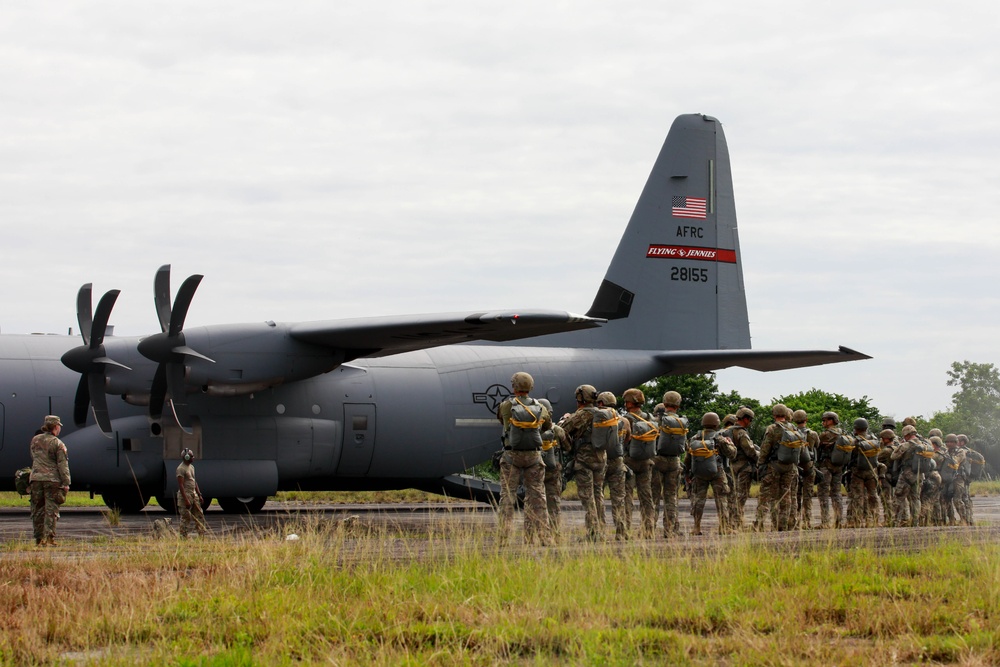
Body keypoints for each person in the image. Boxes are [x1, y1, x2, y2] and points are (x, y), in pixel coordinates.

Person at [496, 372, 552, 545]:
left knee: (507, 495)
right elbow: (547, 427)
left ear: (514, 387)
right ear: (531, 387)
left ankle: (504, 538)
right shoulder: (540, 407)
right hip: (534, 456)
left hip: (511, 455)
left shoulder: (506, 406)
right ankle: (544, 537)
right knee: (537, 495)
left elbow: (502, 422)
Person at [560, 384, 607, 541]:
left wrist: (565, 419)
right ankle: (601, 528)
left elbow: (563, 430)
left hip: (585, 460)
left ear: (580, 398)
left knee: (587, 497)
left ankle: (594, 533)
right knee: (598, 494)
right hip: (601, 458)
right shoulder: (603, 414)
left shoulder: (581, 415)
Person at [684, 412, 736, 535]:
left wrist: (688, 473)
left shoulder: (694, 438)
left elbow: (687, 458)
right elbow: (732, 454)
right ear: (716, 423)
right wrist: (731, 444)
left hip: (699, 472)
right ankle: (724, 527)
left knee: (699, 500)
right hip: (717, 471)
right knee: (721, 498)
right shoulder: (720, 438)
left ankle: (696, 527)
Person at [753, 404, 801, 531]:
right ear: (786, 415)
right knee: (786, 495)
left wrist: (760, 464)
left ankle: (763, 525)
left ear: (774, 415)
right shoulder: (793, 428)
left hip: (774, 466)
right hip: (790, 466)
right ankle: (783, 525)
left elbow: (765, 448)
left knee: (769, 496)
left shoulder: (772, 428)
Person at [29, 415, 71, 546]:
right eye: (58, 426)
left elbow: (33, 456)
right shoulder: (58, 443)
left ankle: (38, 538)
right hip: (52, 480)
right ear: (55, 427)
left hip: (35, 478)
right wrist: (66, 482)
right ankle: (49, 538)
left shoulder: (35, 440)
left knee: (37, 509)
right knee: (51, 510)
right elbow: (62, 465)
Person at [622, 388, 657, 539]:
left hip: (629, 460)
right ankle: (649, 529)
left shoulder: (626, 419)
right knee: (646, 496)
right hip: (646, 461)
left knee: (627, 496)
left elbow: (622, 439)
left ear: (630, 402)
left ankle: (625, 529)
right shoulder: (650, 417)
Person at [652, 391, 687, 537]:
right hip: (674, 461)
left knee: (653, 496)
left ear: (664, 403)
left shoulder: (657, 420)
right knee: (671, 496)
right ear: (678, 405)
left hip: (657, 459)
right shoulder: (681, 421)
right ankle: (670, 529)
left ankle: (649, 529)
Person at [538, 398, 568, 542]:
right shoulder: (556, 429)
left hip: (536, 469)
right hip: (554, 470)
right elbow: (568, 446)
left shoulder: (532, 429)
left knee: (535, 502)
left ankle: (537, 535)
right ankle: (555, 535)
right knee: (554, 503)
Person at [816, 411, 851, 529]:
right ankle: (839, 520)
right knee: (836, 493)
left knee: (823, 494)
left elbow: (816, 446)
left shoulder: (825, 435)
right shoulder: (842, 433)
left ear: (830, 420)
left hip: (826, 466)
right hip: (839, 467)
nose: (823, 422)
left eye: (824, 420)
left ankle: (825, 522)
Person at [891, 424, 930, 526]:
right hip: (920, 475)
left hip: (906, 475)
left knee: (899, 497)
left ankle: (895, 522)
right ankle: (915, 522)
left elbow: (893, 456)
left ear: (906, 434)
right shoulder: (924, 445)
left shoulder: (905, 445)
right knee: (916, 499)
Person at [726, 407, 758, 530]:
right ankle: (736, 522)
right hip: (744, 467)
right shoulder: (742, 433)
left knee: (733, 495)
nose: (750, 422)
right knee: (741, 496)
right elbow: (750, 451)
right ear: (745, 419)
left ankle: (732, 521)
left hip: (732, 466)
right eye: (750, 420)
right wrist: (759, 458)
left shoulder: (728, 431)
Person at [845, 418, 880, 528]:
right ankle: (874, 520)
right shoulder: (874, 440)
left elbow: (849, 456)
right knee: (873, 496)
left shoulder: (855, 441)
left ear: (856, 429)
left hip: (858, 472)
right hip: (871, 471)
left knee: (858, 496)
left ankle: (856, 521)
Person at [792, 410, 818, 529]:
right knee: (807, 495)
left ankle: (795, 521)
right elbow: (817, 446)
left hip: (797, 467)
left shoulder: (792, 433)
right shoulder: (812, 434)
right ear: (806, 420)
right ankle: (807, 521)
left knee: (796, 495)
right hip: (809, 466)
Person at [176, 447, 209, 537]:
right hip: (185, 495)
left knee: (199, 515)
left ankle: (201, 534)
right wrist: (186, 500)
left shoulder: (191, 467)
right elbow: (181, 485)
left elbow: (194, 481)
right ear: (186, 457)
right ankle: (183, 536)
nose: (193, 457)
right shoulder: (181, 469)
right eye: (191, 456)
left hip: (193, 494)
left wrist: (199, 494)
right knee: (186, 517)